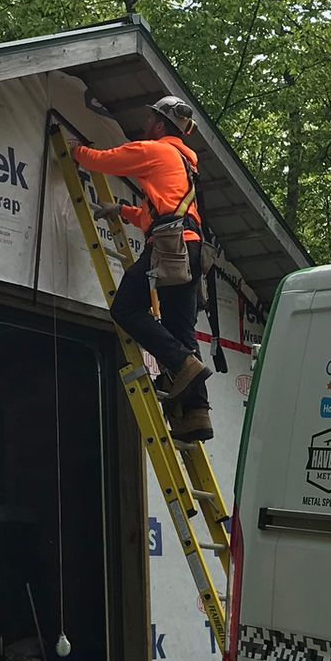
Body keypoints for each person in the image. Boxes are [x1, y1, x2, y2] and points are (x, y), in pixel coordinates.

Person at [74, 96, 214, 444]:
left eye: (151, 118)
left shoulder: (157, 150)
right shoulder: (184, 163)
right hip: (191, 249)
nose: (145, 124)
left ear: (161, 123)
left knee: (126, 308)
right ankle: (196, 415)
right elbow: (156, 213)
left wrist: (77, 150)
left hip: (170, 247)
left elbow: (107, 161)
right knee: (181, 330)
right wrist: (120, 210)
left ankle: (182, 365)